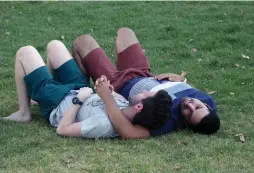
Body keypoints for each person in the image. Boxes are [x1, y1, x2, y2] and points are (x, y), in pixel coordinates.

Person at [3, 40, 171, 139]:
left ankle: (24, 112)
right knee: (55, 46)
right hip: (78, 88)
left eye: (144, 94)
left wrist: (78, 101)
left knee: (25, 52)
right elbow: (108, 95)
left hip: (59, 103)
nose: (141, 92)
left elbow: (62, 129)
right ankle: (43, 89)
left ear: (139, 106)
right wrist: (107, 87)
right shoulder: (126, 107)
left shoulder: (104, 125)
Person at [72, 27, 220, 138]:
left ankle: (80, 88)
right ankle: (119, 67)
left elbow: (128, 132)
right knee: (125, 32)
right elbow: (191, 93)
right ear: (207, 105)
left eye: (189, 114)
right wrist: (182, 80)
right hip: (143, 72)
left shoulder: (168, 120)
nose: (190, 105)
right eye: (198, 106)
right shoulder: (208, 101)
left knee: (82, 41)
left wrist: (107, 97)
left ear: (187, 123)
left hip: (118, 83)